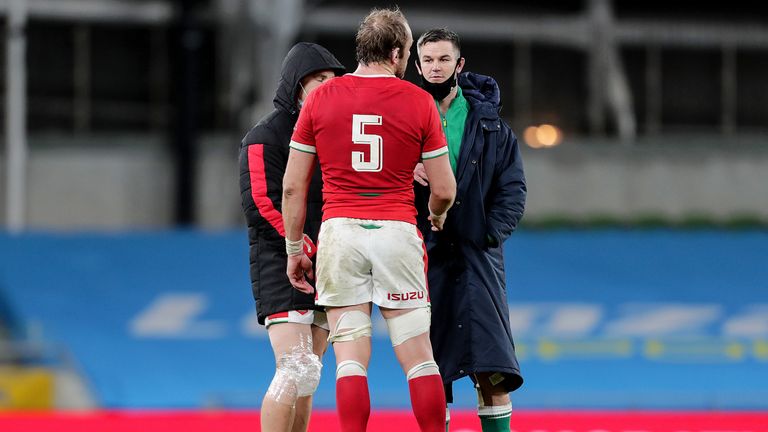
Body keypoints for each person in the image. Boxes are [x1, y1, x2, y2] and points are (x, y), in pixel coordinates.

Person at [281, 8, 456, 432]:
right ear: (397, 53)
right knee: (418, 358)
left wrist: (293, 248)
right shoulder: (418, 100)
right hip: (396, 231)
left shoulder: (322, 97)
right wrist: (436, 216)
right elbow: (445, 188)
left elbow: (292, 187)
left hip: (341, 234)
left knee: (350, 361)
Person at [412, 28, 527, 432]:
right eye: (428, 60)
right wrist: (405, 169)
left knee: (492, 371)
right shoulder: (402, 118)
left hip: (478, 260)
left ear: (459, 65)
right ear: (416, 64)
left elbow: (512, 188)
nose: (436, 67)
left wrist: (488, 233)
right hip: (423, 260)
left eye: (444, 59)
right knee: (432, 374)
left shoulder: (491, 125)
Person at [238, 42, 345, 432]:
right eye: (318, 79)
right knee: (295, 367)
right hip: (281, 266)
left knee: (308, 377)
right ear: (295, 84)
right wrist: (302, 246)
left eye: (333, 80)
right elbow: (262, 202)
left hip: (324, 269)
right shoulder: (265, 136)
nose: (327, 86)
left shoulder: (334, 134)